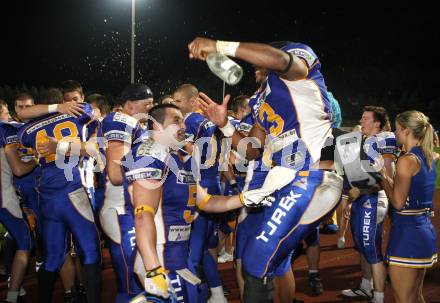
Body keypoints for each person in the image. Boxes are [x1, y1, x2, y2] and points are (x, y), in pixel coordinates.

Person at [188, 37, 343, 302]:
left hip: (310, 177)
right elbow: (252, 150)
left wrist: (219, 46)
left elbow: (280, 60)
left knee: (256, 256)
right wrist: (224, 124)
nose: (255, 68)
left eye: (259, 63)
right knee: (272, 261)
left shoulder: (297, 69)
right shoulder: (261, 98)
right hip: (282, 183)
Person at [17, 80, 102, 303]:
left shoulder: (28, 129)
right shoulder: (80, 112)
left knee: (53, 257)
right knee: (91, 252)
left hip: (47, 195)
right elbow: (93, 147)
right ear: (65, 102)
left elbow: (23, 113)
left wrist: (54, 109)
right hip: (73, 189)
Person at [173, 84, 228, 303]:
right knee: (204, 247)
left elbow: (184, 151)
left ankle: (196, 296)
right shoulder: (209, 122)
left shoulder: (191, 121)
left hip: (197, 188)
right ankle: (216, 293)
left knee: (191, 254)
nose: (174, 105)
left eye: (178, 101)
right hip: (212, 182)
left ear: (193, 101)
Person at [100, 83, 154, 302]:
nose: (151, 109)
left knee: (140, 275)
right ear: (130, 105)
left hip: (127, 206)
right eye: (147, 104)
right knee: (132, 279)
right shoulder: (121, 121)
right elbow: (115, 172)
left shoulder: (132, 122)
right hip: (120, 208)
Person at [341, 106, 398, 303]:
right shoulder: (365, 141)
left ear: (377, 124)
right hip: (361, 199)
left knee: (371, 248)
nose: (361, 121)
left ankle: (379, 296)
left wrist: (363, 191)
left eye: (366, 119)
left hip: (374, 199)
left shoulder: (384, 139)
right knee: (362, 246)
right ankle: (366, 286)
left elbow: (388, 179)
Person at [381, 110, 438, 303]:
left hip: (407, 234)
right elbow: (411, 192)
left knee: (403, 299)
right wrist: (390, 180)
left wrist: (382, 179)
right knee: (416, 296)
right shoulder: (429, 156)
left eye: (397, 130)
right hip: (424, 229)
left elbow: (397, 203)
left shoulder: (407, 160)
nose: (395, 134)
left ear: (406, 131)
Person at [0, 120, 36, 303]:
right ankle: (12, 296)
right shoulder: (7, 130)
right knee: (25, 243)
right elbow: (19, 170)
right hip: (4, 198)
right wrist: (36, 159)